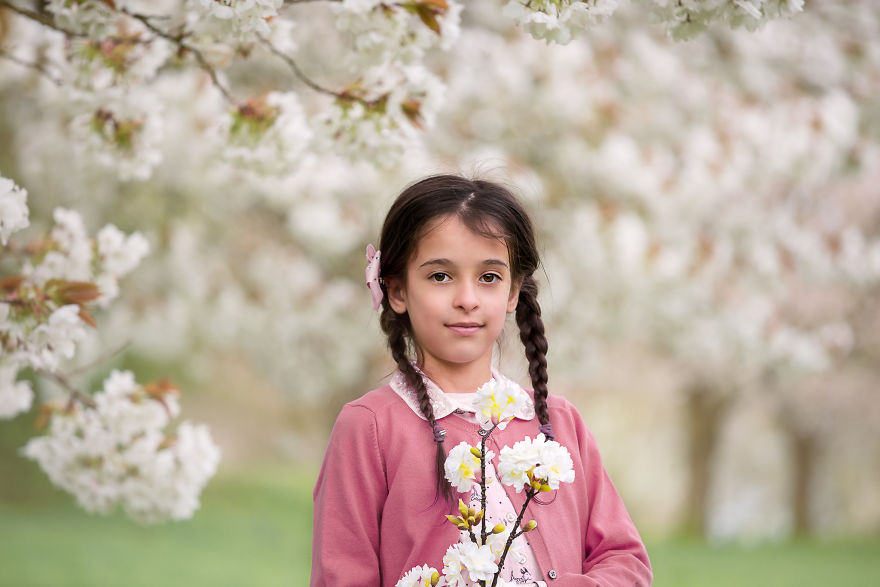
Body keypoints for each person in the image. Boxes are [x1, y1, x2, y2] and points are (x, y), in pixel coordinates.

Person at [311, 175, 652, 586]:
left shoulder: (558, 424)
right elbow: (342, 575)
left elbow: (624, 560)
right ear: (397, 290)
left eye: (489, 277)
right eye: (441, 276)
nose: (467, 299)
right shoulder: (370, 427)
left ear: (513, 293)